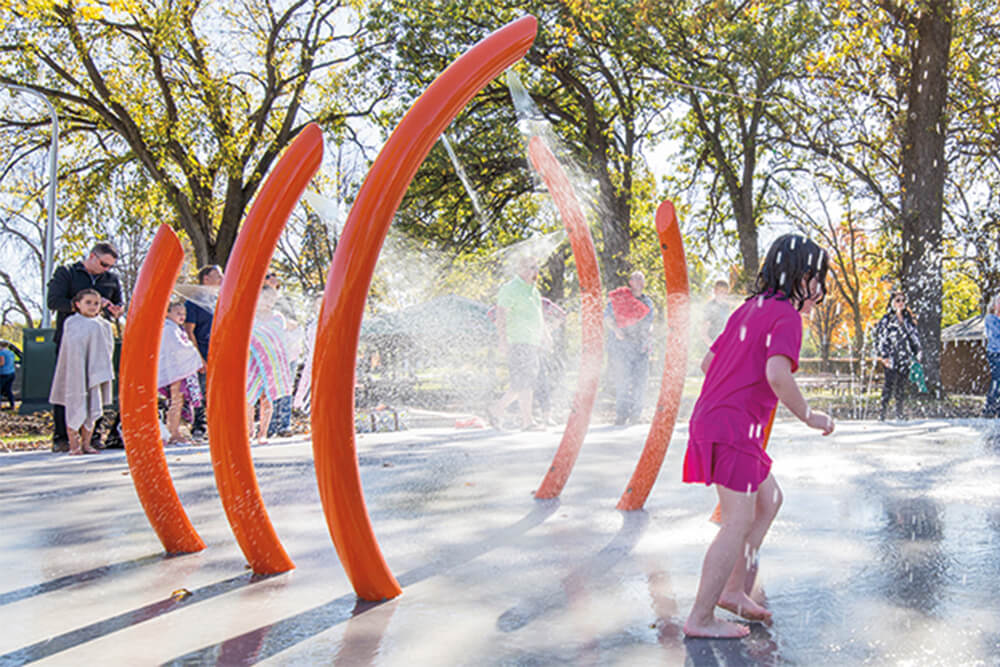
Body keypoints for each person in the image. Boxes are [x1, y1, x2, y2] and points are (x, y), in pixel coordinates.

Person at [681, 234, 835, 639]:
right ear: (801, 276)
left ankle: (733, 591)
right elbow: (777, 375)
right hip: (733, 427)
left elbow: (706, 361)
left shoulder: (749, 309)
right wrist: (809, 415)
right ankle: (700, 617)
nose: (819, 290)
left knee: (769, 499)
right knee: (737, 520)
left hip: (720, 422)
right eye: (816, 279)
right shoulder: (786, 315)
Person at [46, 242, 123, 452]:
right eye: (103, 264)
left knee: (96, 387)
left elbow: (119, 304)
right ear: (92, 256)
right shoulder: (67, 273)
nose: (106, 269)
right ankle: (63, 437)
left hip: (97, 342)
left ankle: (93, 435)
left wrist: (115, 310)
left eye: (110, 266)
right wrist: (81, 305)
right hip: (71, 342)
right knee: (69, 387)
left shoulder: (111, 280)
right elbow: (53, 301)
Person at [48, 289, 115, 455]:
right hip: (76, 370)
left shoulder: (104, 325)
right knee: (75, 403)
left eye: (96, 303)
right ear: (78, 304)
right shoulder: (72, 323)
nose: (92, 306)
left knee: (93, 405)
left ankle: (87, 443)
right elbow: (71, 348)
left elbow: (108, 348)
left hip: (95, 370)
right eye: (88, 303)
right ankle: (74, 444)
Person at [488, 255, 550, 430]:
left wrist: (545, 335)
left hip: (532, 342)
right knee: (525, 382)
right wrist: (502, 340)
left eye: (536, 268)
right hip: (517, 340)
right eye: (531, 268)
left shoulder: (534, 291)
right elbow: (501, 315)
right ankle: (527, 422)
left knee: (521, 383)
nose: (535, 271)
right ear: (520, 270)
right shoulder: (510, 288)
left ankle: (496, 410)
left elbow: (539, 316)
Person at [604, 270, 655, 425]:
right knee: (623, 381)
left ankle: (636, 415)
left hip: (640, 346)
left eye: (641, 279)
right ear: (630, 282)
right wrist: (616, 329)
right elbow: (607, 317)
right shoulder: (620, 298)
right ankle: (621, 415)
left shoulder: (647, 302)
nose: (639, 281)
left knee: (641, 382)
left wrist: (649, 336)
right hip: (621, 346)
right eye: (636, 278)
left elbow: (649, 323)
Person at [246, 286, 294, 444]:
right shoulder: (250, 315)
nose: (269, 302)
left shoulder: (277, 317)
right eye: (266, 298)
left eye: (272, 299)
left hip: (271, 361)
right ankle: (248, 431)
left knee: (267, 397)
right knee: (249, 397)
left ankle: (263, 433)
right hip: (253, 360)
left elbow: (280, 337)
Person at [184, 264, 222, 439]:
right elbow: (188, 330)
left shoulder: (219, 301)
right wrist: (199, 358)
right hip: (201, 352)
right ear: (206, 279)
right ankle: (199, 426)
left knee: (217, 391)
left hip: (219, 353)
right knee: (200, 390)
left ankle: (217, 424)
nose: (222, 279)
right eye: (217, 276)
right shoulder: (193, 302)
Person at [159, 301, 204, 445]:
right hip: (175, 370)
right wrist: (195, 355)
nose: (182, 316)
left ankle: (174, 430)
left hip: (178, 369)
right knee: (176, 401)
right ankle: (173, 432)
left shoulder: (176, 328)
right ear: (167, 313)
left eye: (184, 314)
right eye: (178, 313)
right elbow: (179, 347)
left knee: (178, 401)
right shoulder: (169, 329)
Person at [874, 290, 922, 421]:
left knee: (901, 386)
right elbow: (881, 338)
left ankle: (899, 413)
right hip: (891, 356)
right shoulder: (887, 319)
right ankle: (882, 413)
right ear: (892, 303)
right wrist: (884, 355)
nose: (901, 303)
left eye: (902, 300)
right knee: (888, 385)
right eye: (898, 300)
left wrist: (917, 352)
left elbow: (914, 337)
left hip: (904, 356)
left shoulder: (908, 319)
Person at [982, 293, 1000, 418]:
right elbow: (995, 337)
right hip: (996, 353)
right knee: (997, 379)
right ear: (994, 305)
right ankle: (989, 408)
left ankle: (996, 407)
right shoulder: (991, 319)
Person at [703, 279, 731, 348]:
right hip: (711, 345)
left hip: (722, 344)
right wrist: (712, 346)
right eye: (721, 292)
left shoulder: (726, 307)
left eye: (725, 293)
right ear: (715, 291)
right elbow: (703, 332)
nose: (723, 295)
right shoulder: (709, 306)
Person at [0, 341, 16, 409]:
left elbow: (1, 363)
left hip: (3, 374)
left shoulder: (1, 353)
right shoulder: (11, 352)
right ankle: (12, 405)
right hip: (11, 373)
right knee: (8, 390)